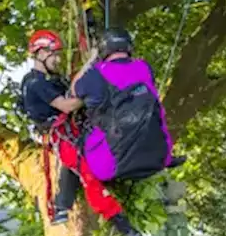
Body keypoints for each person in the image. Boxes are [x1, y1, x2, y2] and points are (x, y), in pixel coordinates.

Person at [20, 30, 144, 236]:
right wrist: (89, 97)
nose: (58, 60)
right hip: (61, 135)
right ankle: (122, 224)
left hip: (74, 130)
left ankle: (63, 204)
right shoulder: (35, 82)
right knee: (89, 173)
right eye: (54, 55)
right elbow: (67, 105)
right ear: (40, 53)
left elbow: (73, 88)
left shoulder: (51, 79)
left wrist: (93, 62)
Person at [72, 27, 182, 184]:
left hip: (109, 167)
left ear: (103, 50)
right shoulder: (144, 68)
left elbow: (74, 90)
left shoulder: (95, 74)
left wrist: (91, 60)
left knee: (80, 130)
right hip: (158, 159)